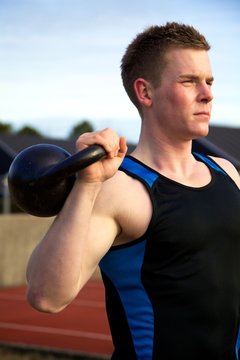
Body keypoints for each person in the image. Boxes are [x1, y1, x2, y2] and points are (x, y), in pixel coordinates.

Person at [26, 22, 240, 359]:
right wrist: (89, 184)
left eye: (209, 81)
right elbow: (46, 296)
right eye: (189, 81)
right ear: (145, 92)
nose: (208, 94)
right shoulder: (119, 189)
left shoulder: (227, 172)